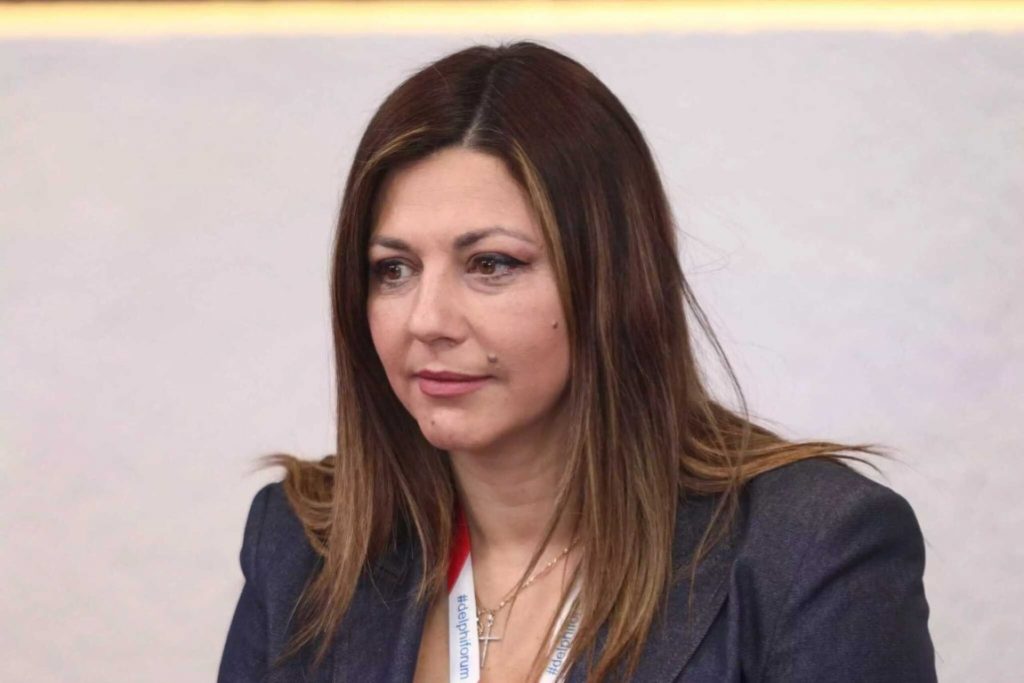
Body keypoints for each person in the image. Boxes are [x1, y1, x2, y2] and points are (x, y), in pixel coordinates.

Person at [217, 40, 937, 682]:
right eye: (394, 269)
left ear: (612, 278)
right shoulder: (303, 541)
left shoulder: (812, 546)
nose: (427, 320)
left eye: (490, 263)